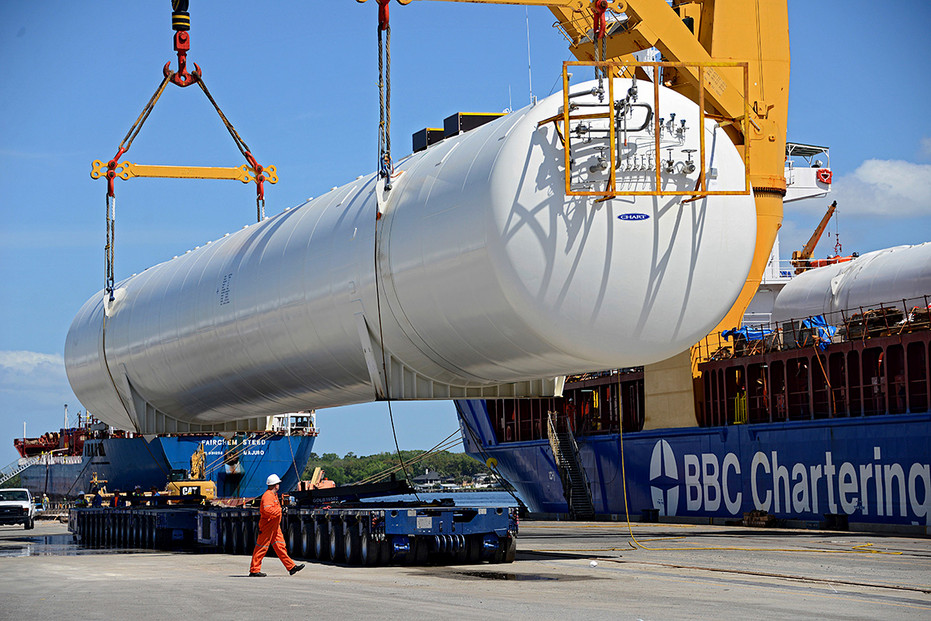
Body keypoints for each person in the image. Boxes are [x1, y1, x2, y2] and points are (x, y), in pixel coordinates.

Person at [249, 474, 304, 577]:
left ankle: (291, 567)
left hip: (274, 526)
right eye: (278, 483)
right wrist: (280, 510)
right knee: (261, 547)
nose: (279, 485)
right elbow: (267, 510)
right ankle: (254, 570)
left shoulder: (273, 495)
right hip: (267, 526)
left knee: (280, 546)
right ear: (275, 485)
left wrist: (281, 510)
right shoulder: (268, 496)